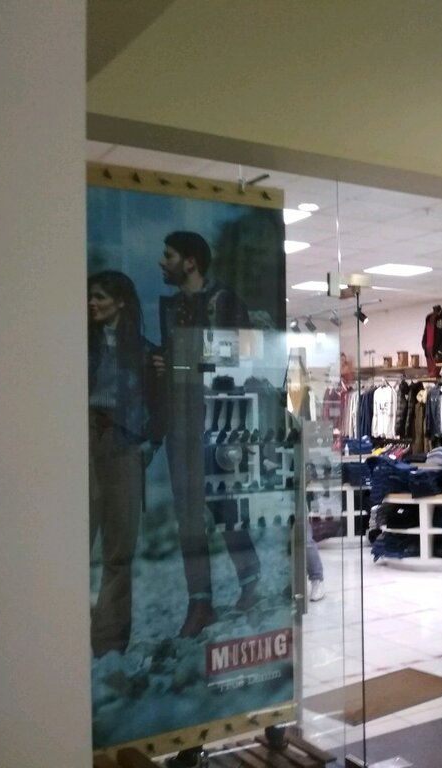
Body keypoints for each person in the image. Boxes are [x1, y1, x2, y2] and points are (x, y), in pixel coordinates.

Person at [154, 231, 262, 638]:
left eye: (169, 255)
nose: (162, 262)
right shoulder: (173, 307)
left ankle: (251, 582)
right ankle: (200, 602)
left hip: (219, 419)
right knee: (187, 514)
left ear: (190, 262)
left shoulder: (224, 301)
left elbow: (244, 361)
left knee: (224, 506)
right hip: (181, 420)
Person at [87, 270, 162, 656]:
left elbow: (159, 404)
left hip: (125, 444)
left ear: (120, 301)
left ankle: (109, 643)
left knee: (119, 548)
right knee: (76, 539)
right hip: (85, 440)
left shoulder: (146, 352)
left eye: (100, 296)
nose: (92, 303)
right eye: (91, 296)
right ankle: (61, 633)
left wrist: (152, 442)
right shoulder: (81, 345)